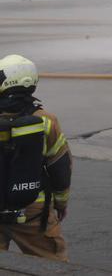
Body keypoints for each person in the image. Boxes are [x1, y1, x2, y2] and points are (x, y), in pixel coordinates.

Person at [0, 55, 71, 261]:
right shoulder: (46, 121)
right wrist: (61, 204)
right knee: (52, 264)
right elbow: (61, 167)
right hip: (33, 211)